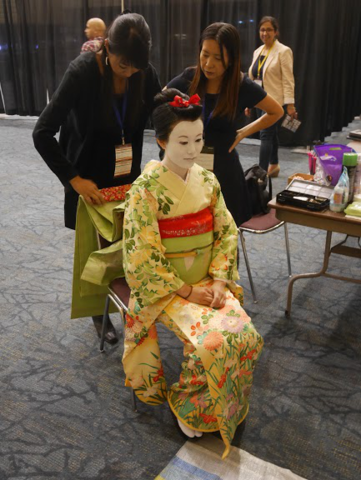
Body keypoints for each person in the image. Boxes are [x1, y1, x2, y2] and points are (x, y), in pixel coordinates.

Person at [122, 89, 264, 459]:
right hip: (168, 287)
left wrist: (218, 280)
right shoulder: (146, 190)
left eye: (198, 139)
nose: (192, 149)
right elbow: (142, 254)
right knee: (208, 342)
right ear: (162, 141)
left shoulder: (208, 180)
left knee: (244, 334)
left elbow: (226, 232)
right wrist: (186, 291)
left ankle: (222, 404)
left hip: (207, 281)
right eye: (182, 141)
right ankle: (189, 406)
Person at [33, 12, 161, 343]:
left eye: (136, 68)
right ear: (107, 47)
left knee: (124, 244)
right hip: (88, 179)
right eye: (123, 66)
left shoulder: (143, 72)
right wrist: (73, 179)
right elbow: (42, 132)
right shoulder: (82, 72)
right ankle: (97, 312)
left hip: (126, 176)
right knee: (94, 250)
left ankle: (125, 302)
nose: (130, 72)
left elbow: (162, 112)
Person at [167, 22, 283, 226]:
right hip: (187, 172)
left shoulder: (241, 86)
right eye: (205, 54)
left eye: (218, 58)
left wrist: (245, 132)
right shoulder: (188, 79)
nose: (209, 64)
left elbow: (276, 111)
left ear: (231, 59)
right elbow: (160, 101)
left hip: (224, 173)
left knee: (225, 239)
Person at [248, 16, 297, 177]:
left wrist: (290, 105)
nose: (265, 33)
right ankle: (274, 165)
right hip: (260, 100)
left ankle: (260, 174)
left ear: (275, 32)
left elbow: (288, 79)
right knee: (271, 134)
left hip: (275, 102)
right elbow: (253, 79)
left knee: (266, 135)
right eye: (262, 29)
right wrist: (248, 102)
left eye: (269, 29)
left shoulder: (283, 51)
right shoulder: (258, 51)